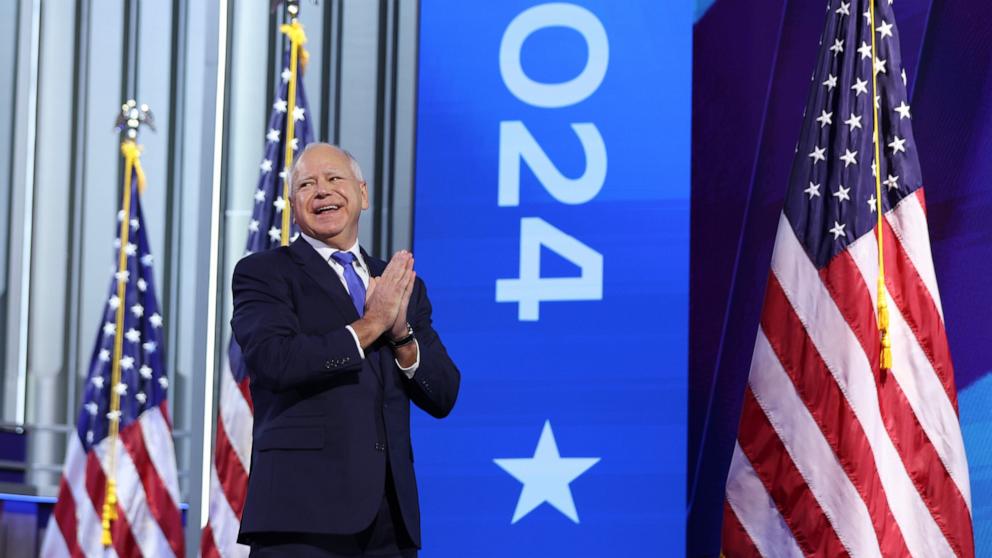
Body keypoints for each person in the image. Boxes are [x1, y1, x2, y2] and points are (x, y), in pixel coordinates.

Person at [231, 143, 460, 557]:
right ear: (293, 203)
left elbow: (444, 393)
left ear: (363, 194)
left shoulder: (398, 283)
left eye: (335, 179)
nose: (323, 191)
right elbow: (275, 362)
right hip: (301, 519)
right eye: (307, 184)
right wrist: (371, 324)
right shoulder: (264, 273)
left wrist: (400, 335)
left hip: (390, 522)